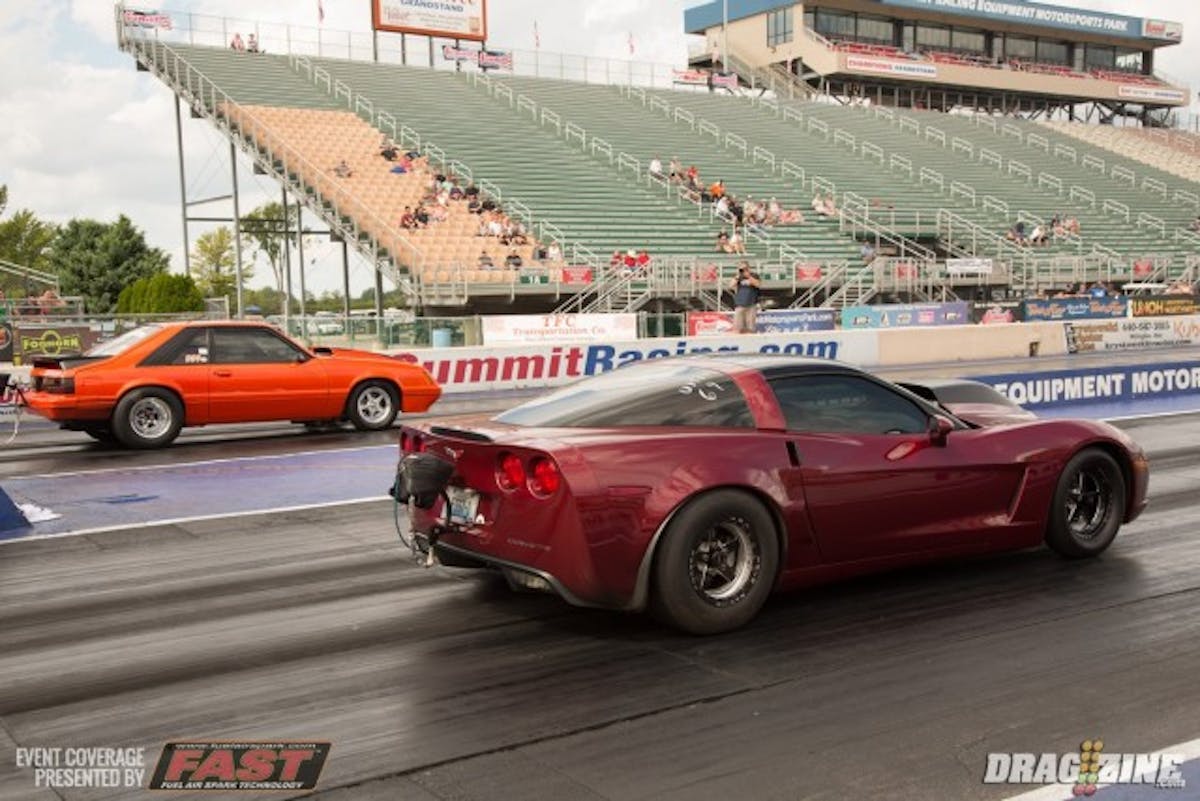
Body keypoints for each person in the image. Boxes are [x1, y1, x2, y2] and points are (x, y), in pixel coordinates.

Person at [730, 262, 760, 334]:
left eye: (745, 268)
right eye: (741, 269)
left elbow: (757, 284)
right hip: (740, 304)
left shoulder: (754, 275)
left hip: (751, 304)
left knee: (750, 328)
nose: (743, 270)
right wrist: (738, 276)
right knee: (737, 328)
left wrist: (748, 276)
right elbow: (730, 285)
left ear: (748, 268)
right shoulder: (738, 277)